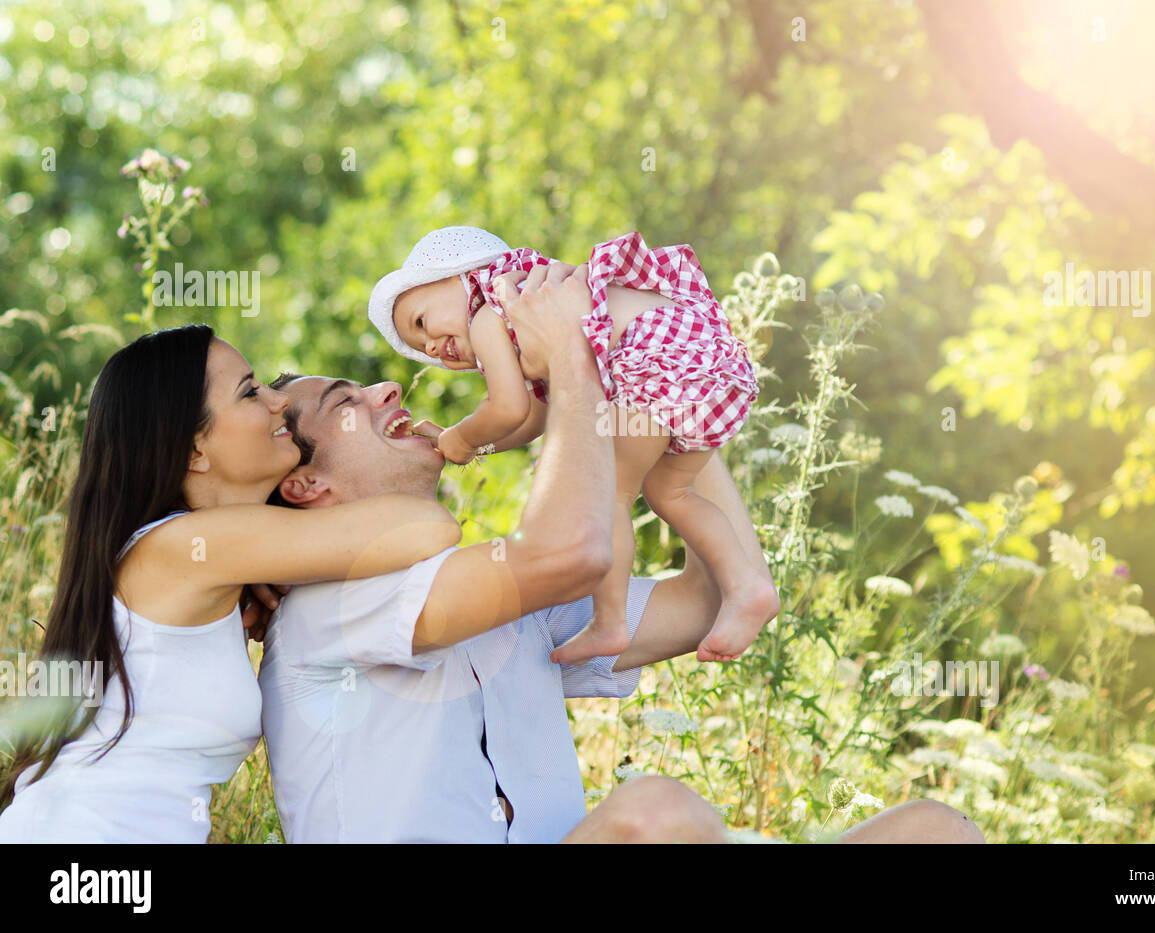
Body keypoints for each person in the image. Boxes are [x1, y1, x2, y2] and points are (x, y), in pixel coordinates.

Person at [259, 264, 985, 844]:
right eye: (347, 402)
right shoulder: (333, 605)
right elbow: (570, 547)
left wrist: (668, 375)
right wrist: (574, 354)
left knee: (934, 830)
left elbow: (703, 603)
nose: (391, 382)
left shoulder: (492, 597)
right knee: (655, 816)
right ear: (304, 483)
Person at [0, 325, 461, 843]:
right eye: (250, 392)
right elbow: (426, 525)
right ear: (194, 449)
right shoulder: (186, 547)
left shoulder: (200, 564)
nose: (278, 401)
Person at [367, 227, 779, 665]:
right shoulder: (530, 304)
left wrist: (459, 437)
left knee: (613, 494)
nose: (430, 346)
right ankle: (749, 586)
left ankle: (610, 623)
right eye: (421, 349)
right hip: (701, 357)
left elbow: (505, 408)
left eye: (421, 323)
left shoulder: (490, 314)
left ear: (459, 278)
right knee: (672, 493)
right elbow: (537, 418)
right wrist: (476, 448)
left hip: (654, 363)